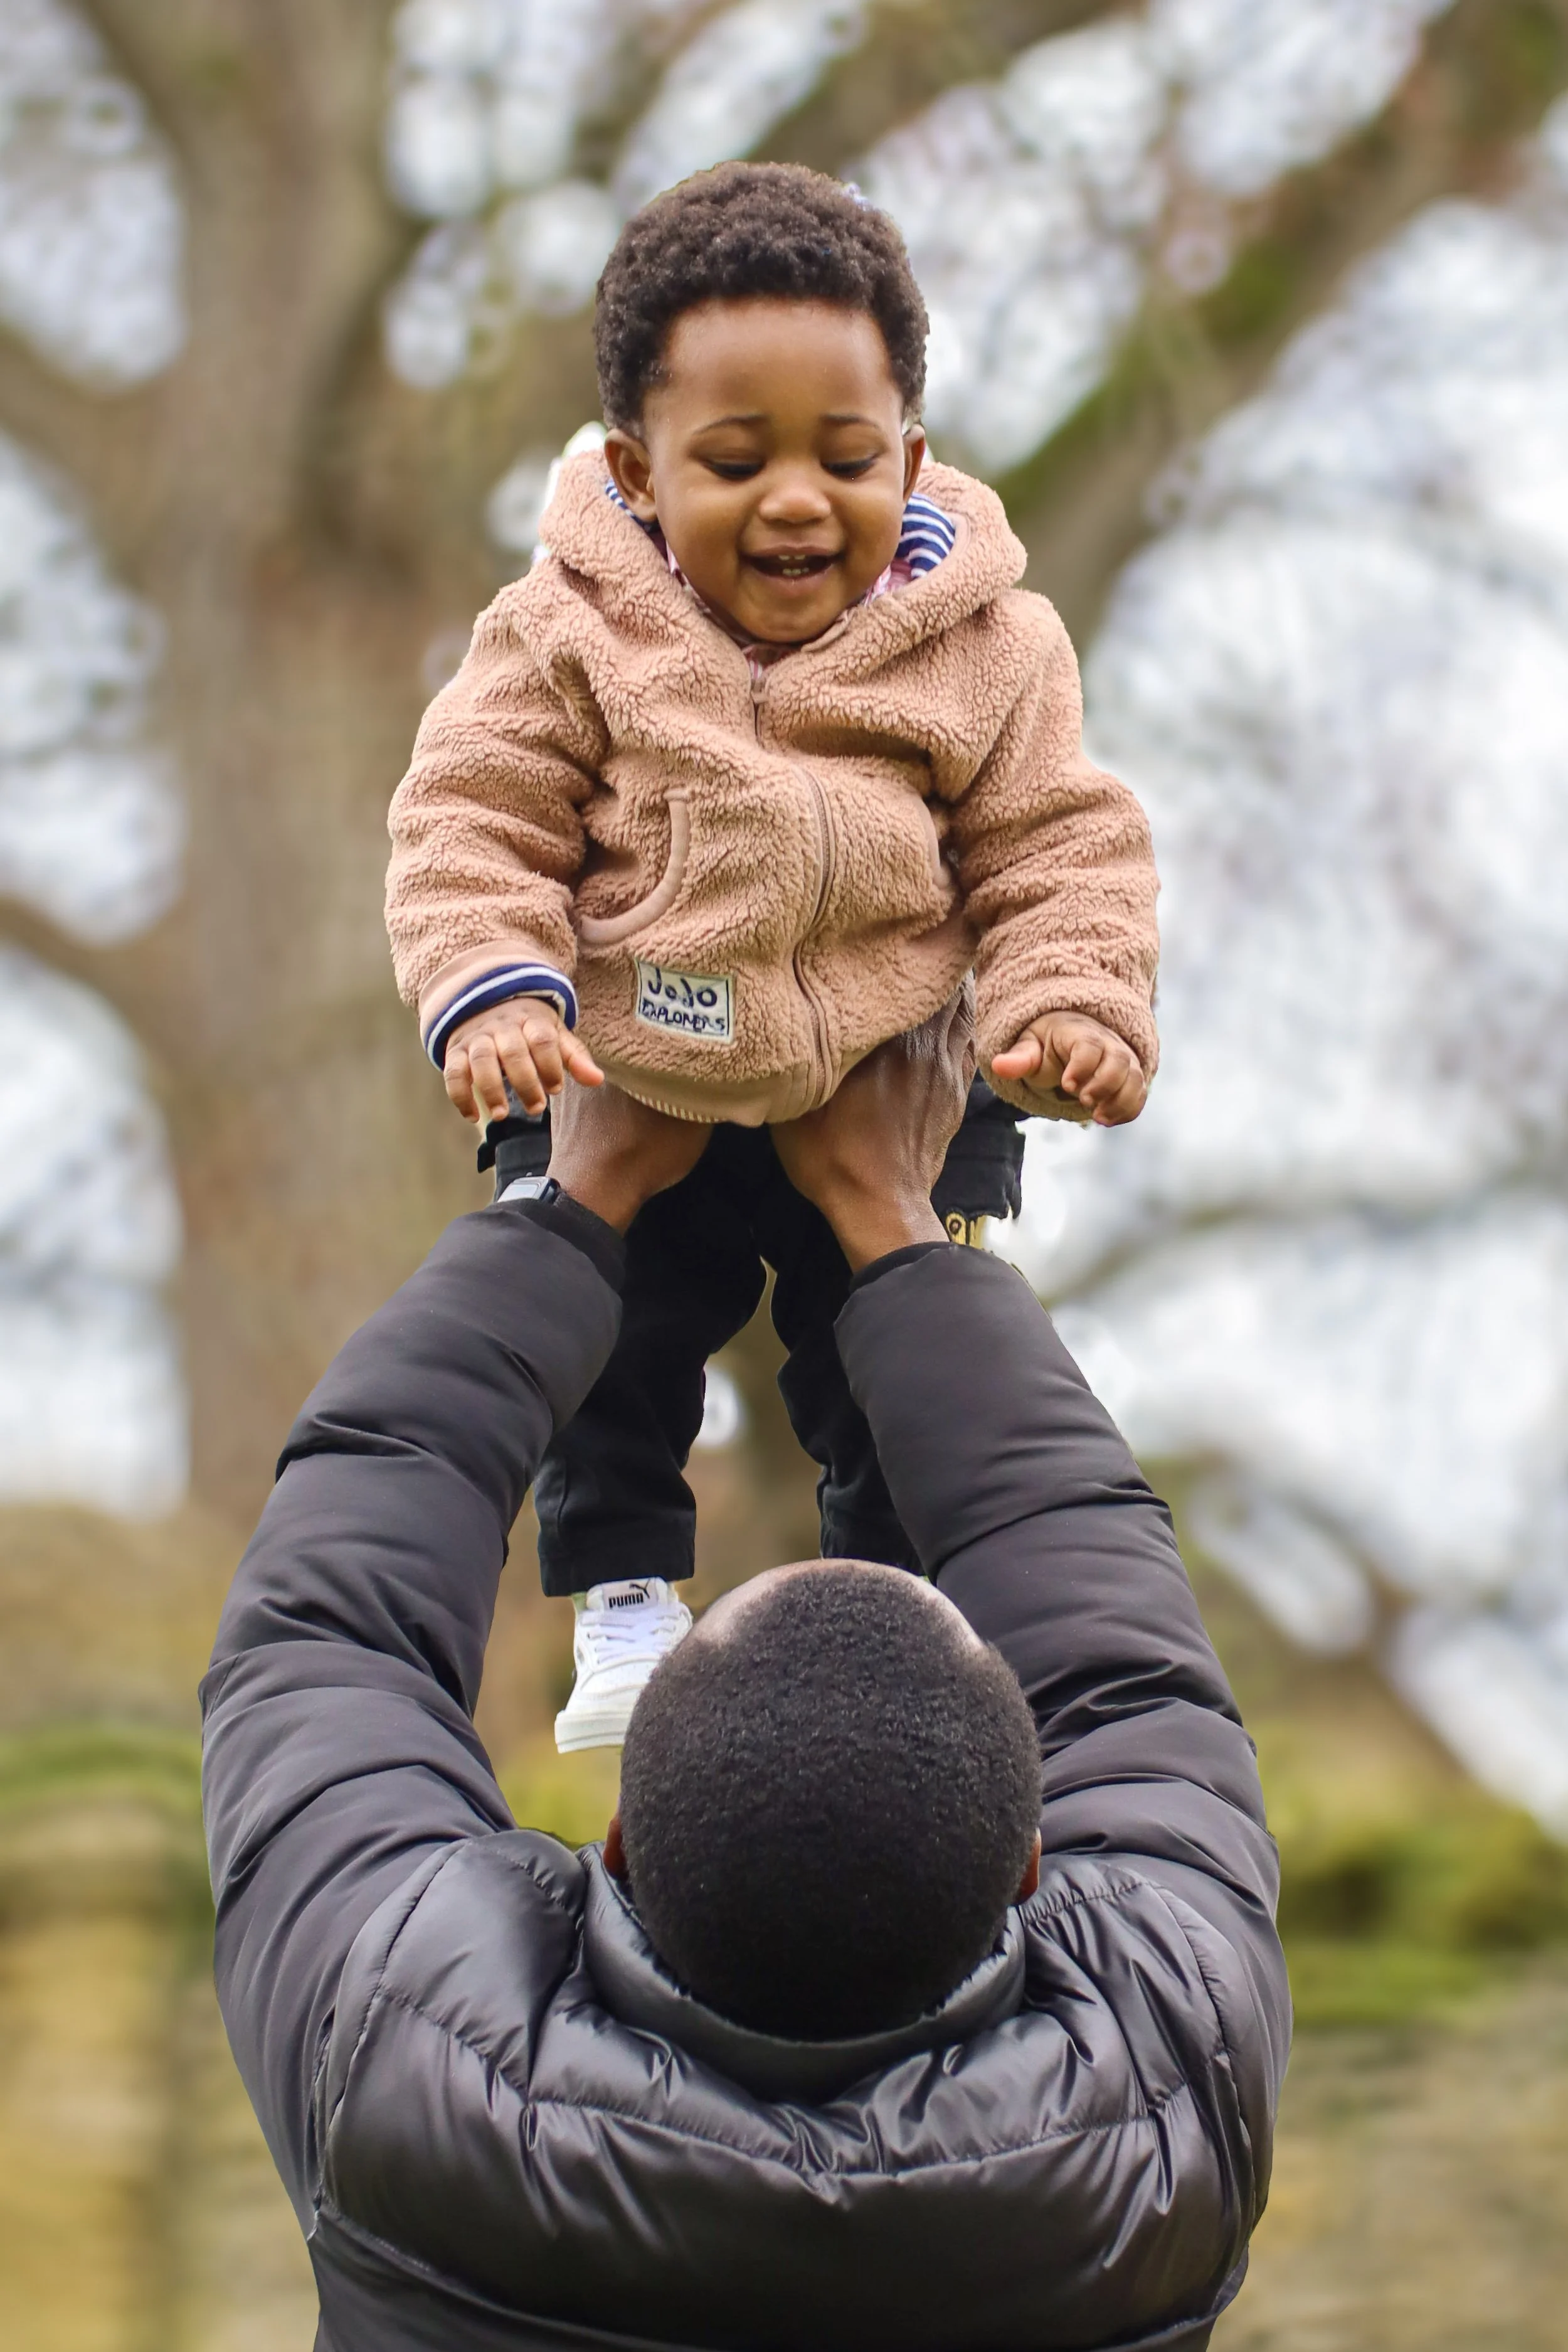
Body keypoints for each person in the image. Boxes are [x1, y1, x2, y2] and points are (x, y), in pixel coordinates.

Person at [202, 1013, 1289, 2352]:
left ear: (612, 1845)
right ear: (1027, 1866)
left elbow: (324, 1633)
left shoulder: (403, 2056)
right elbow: (1126, 1682)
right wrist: (892, 1218)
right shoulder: (1165, 2100)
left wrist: (579, 1193)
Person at [383, 162, 1160, 1746]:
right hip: (629, 1043)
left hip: (883, 1056)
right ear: (638, 470)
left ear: (913, 458)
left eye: (846, 457)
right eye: (734, 461)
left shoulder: (987, 644)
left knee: (899, 1348)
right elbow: (471, 817)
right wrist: (495, 991)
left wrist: (1067, 1004)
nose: (797, 499)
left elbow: (1056, 842)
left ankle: (891, 1603)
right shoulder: (565, 631)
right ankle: (618, 1600)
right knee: (604, 1329)